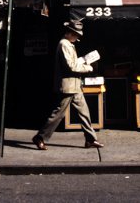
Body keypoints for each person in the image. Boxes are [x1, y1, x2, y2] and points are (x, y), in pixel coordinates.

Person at [32, 19, 104, 150]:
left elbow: (72, 62)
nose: (77, 38)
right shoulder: (64, 44)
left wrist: (82, 60)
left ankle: (90, 139)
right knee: (58, 114)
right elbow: (71, 66)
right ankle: (40, 137)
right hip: (68, 86)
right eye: (76, 34)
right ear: (70, 32)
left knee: (84, 113)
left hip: (75, 85)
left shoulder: (69, 44)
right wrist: (88, 67)